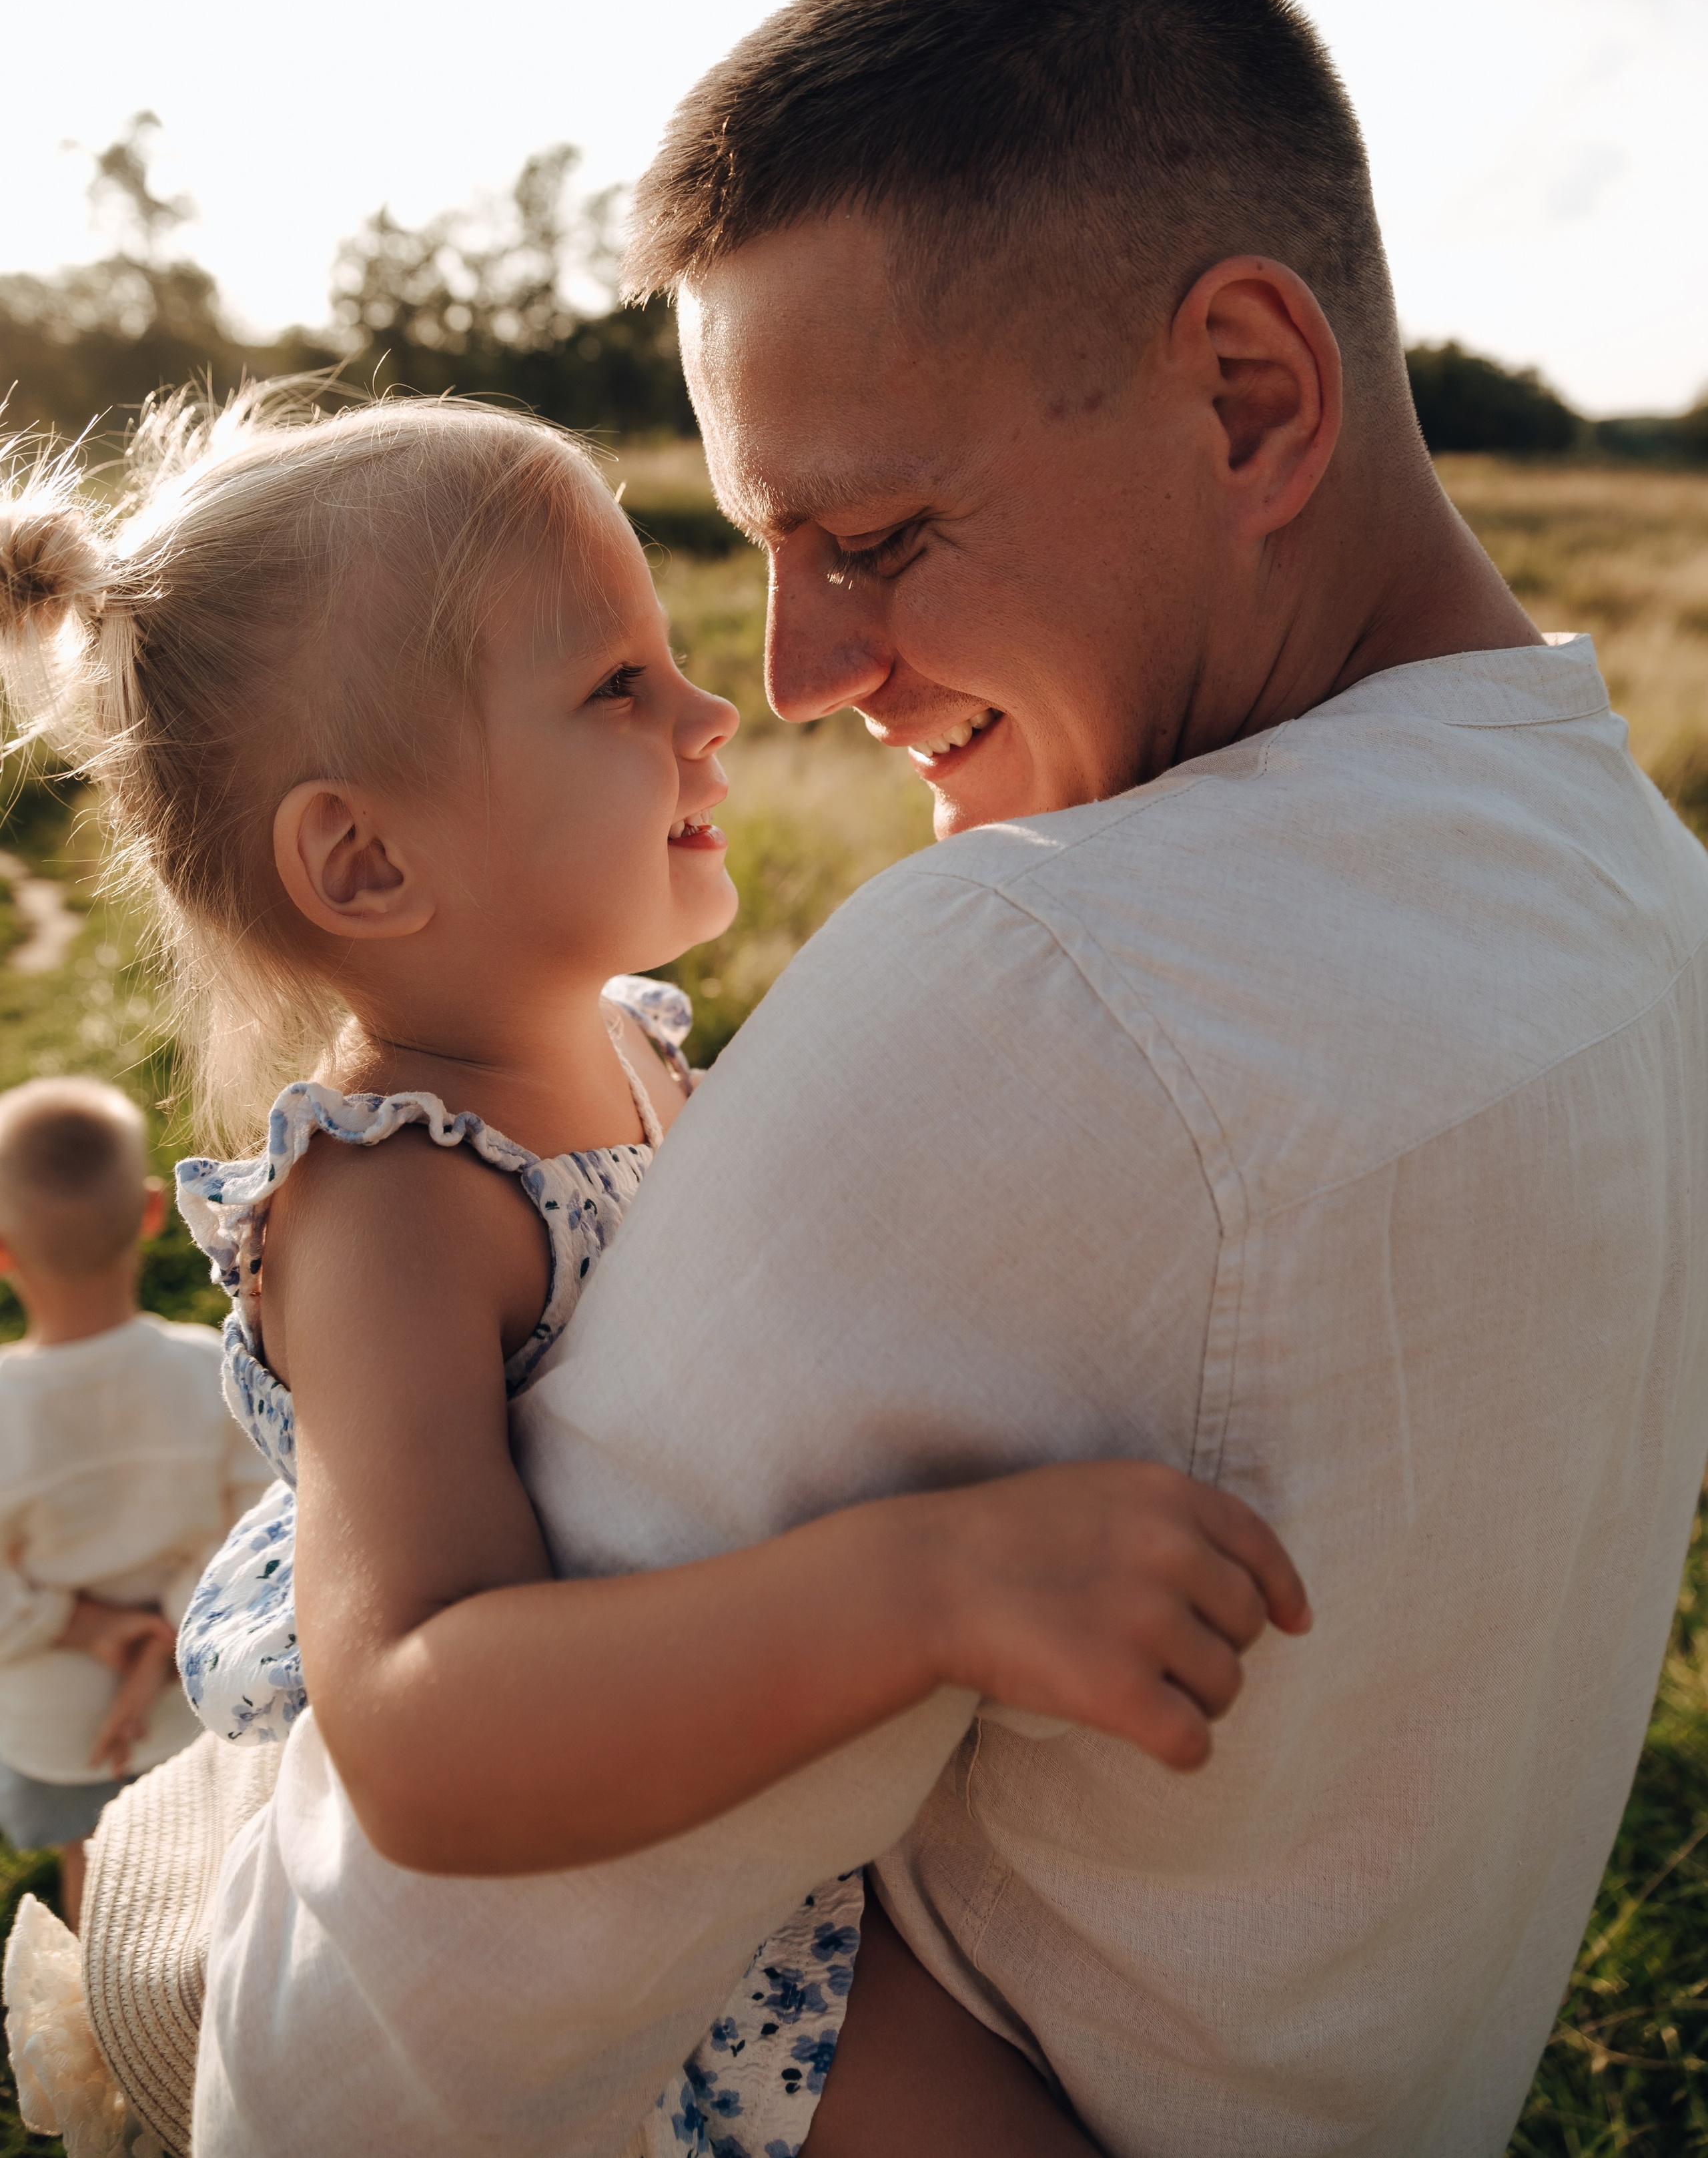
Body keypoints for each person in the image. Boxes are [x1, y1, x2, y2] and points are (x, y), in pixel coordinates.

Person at [0, 390, 1306, 2158]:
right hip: (610, 1949)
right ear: (367, 860)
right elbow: (416, 1732)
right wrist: (935, 1582)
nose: (714, 716)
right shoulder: (393, 1206)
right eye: (618, 686)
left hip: (748, 1796)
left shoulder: (627, 1047)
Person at [0, 1078, 265, 1930]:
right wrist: (160, 1641)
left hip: (54, 1730)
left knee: (94, 1873)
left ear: (3, 1251)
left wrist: (83, 1626)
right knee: (213, 1865)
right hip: (192, 1704)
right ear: (153, 1212)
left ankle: (106, 2040)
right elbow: (253, 1538)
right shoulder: (207, 1373)